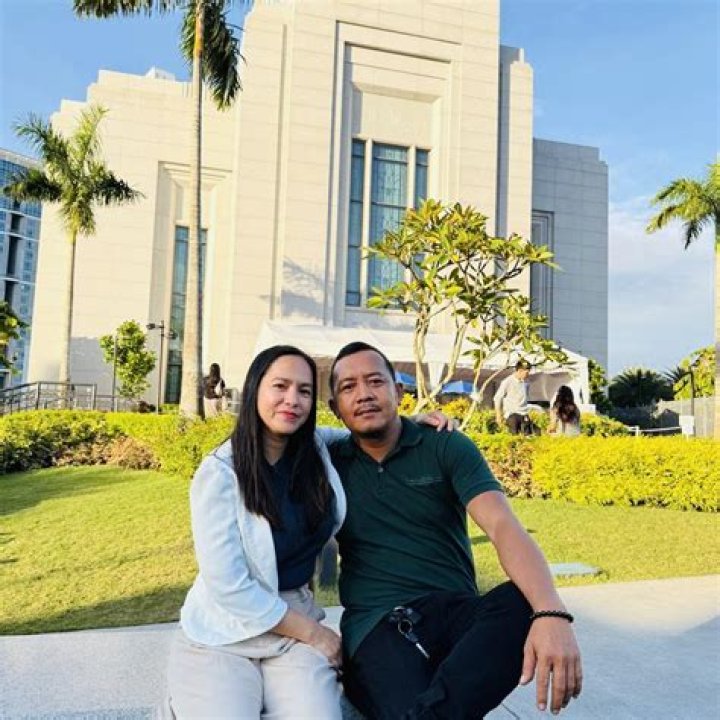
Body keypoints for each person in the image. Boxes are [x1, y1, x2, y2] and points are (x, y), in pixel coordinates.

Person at [326, 342, 582, 720]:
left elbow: (501, 525)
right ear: (335, 407)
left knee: (524, 601)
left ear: (399, 392)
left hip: (454, 612)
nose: (363, 394)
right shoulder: (327, 464)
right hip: (376, 625)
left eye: (375, 381)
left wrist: (552, 613)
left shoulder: (445, 445)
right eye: (348, 387)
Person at [165, 346, 346, 718]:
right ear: (254, 389)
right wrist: (317, 634)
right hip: (225, 628)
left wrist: (412, 424)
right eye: (280, 386)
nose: (292, 400)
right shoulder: (220, 472)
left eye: (304, 391)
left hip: (294, 619)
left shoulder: (313, 447)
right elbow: (228, 585)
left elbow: (356, 434)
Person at [493, 359, 536, 435]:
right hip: (512, 415)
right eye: (526, 372)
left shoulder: (526, 382)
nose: (528, 374)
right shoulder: (507, 381)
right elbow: (497, 398)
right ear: (519, 371)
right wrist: (498, 416)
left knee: (528, 437)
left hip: (524, 414)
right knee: (513, 437)